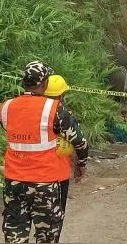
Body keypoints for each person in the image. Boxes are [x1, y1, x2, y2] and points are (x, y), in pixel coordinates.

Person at [0, 61, 88, 243]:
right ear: (45, 83)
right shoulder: (54, 109)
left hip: (14, 181)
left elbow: (12, 130)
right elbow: (80, 141)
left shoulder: (5, 108)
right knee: (47, 235)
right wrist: (81, 164)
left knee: (15, 234)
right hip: (45, 182)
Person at [44, 75, 84, 211]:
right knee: (55, 215)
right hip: (56, 173)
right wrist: (80, 165)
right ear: (62, 95)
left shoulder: (27, 111)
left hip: (22, 173)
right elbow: (79, 142)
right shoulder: (61, 115)